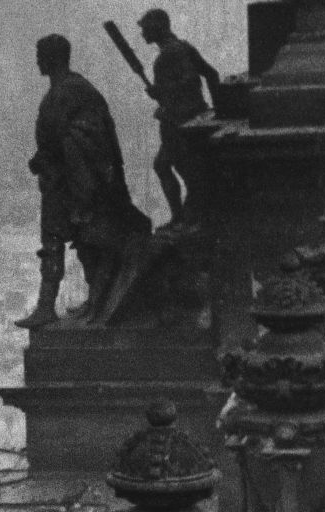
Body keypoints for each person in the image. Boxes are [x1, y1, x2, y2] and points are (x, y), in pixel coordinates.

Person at [16, 34, 150, 329]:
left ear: (53, 57)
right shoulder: (65, 90)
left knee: (75, 242)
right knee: (67, 242)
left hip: (77, 183)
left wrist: (54, 157)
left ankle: (74, 304)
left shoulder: (73, 91)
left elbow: (84, 136)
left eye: (40, 54)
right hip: (64, 181)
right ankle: (63, 304)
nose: (37, 60)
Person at [139, 8, 220, 228]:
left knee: (185, 172)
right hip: (188, 120)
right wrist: (217, 111)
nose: (142, 33)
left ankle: (186, 217)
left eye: (145, 28)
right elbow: (211, 75)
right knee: (167, 166)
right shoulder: (183, 47)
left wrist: (162, 91)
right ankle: (183, 217)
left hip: (180, 124)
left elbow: (191, 80)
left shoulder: (169, 54)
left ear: (158, 27)